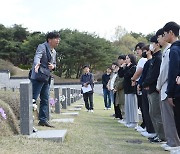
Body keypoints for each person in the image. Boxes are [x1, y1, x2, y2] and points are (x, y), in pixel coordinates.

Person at [156, 27, 180, 151]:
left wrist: (165, 89)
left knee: (172, 118)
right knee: (170, 117)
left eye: (163, 34)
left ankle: (174, 142)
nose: (163, 37)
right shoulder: (171, 49)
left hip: (170, 88)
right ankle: (172, 142)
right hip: (169, 87)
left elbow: (169, 72)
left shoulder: (173, 50)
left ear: (171, 33)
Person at [30, 31, 60, 127]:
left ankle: (43, 120)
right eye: (56, 38)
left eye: (58, 39)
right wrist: (37, 64)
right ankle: (27, 119)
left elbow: (54, 63)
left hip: (46, 77)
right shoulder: (42, 46)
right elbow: (38, 56)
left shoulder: (54, 51)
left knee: (45, 99)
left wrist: (53, 67)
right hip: (38, 76)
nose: (58, 40)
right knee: (33, 98)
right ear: (49, 39)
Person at [142, 35, 165, 143]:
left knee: (156, 113)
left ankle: (162, 136)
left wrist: (145, 83)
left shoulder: (159, 58)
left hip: (155, 89)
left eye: (152, 43)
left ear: (157, 44)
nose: (150, 45)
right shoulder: (154, 58)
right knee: (152, 113)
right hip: (150, 88)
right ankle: (158, 134)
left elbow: (154, 75)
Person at [138, 45, 156, 138]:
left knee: (151, 110)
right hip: (144, 86)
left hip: (149, 87)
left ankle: (151, 130)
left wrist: (143, 84)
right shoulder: (148, 62)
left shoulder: (152, 61)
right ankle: (148, 129)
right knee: (145, 109)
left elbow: (149, 76)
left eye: (146, 50)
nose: (145, 52)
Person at [119, 54, 138, 128]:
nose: (126, 60)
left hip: (131, 89)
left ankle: (134, 121)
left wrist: (126, 67)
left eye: (127, 58)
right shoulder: (127, 67)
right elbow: (121, 75)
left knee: (132, 105)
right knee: (128, 106)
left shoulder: (133, 67)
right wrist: (122, 67)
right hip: (126, 89)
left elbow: (127, 75)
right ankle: (129, 120)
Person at [131, 42, 147, 132]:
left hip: (141, 84)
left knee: (143, 105)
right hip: (140, 84)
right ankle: (144, 124)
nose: (137, 51)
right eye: (136, 49)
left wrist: (133, 79)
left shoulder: (142, 60)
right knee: (142, 106)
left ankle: (145, 124)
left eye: (139, 49)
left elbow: (139, 72)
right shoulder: (142, 60)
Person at [114, 55, 126, 123]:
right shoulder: (121, 68)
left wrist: (117, 87)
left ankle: (125, 118)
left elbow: (122, 79)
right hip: (118, 88)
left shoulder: (124, 67)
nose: (118, 61)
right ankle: (123, 118)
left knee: (123, 103)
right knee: (120, 103)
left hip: (122, 88)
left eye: (120, 59)